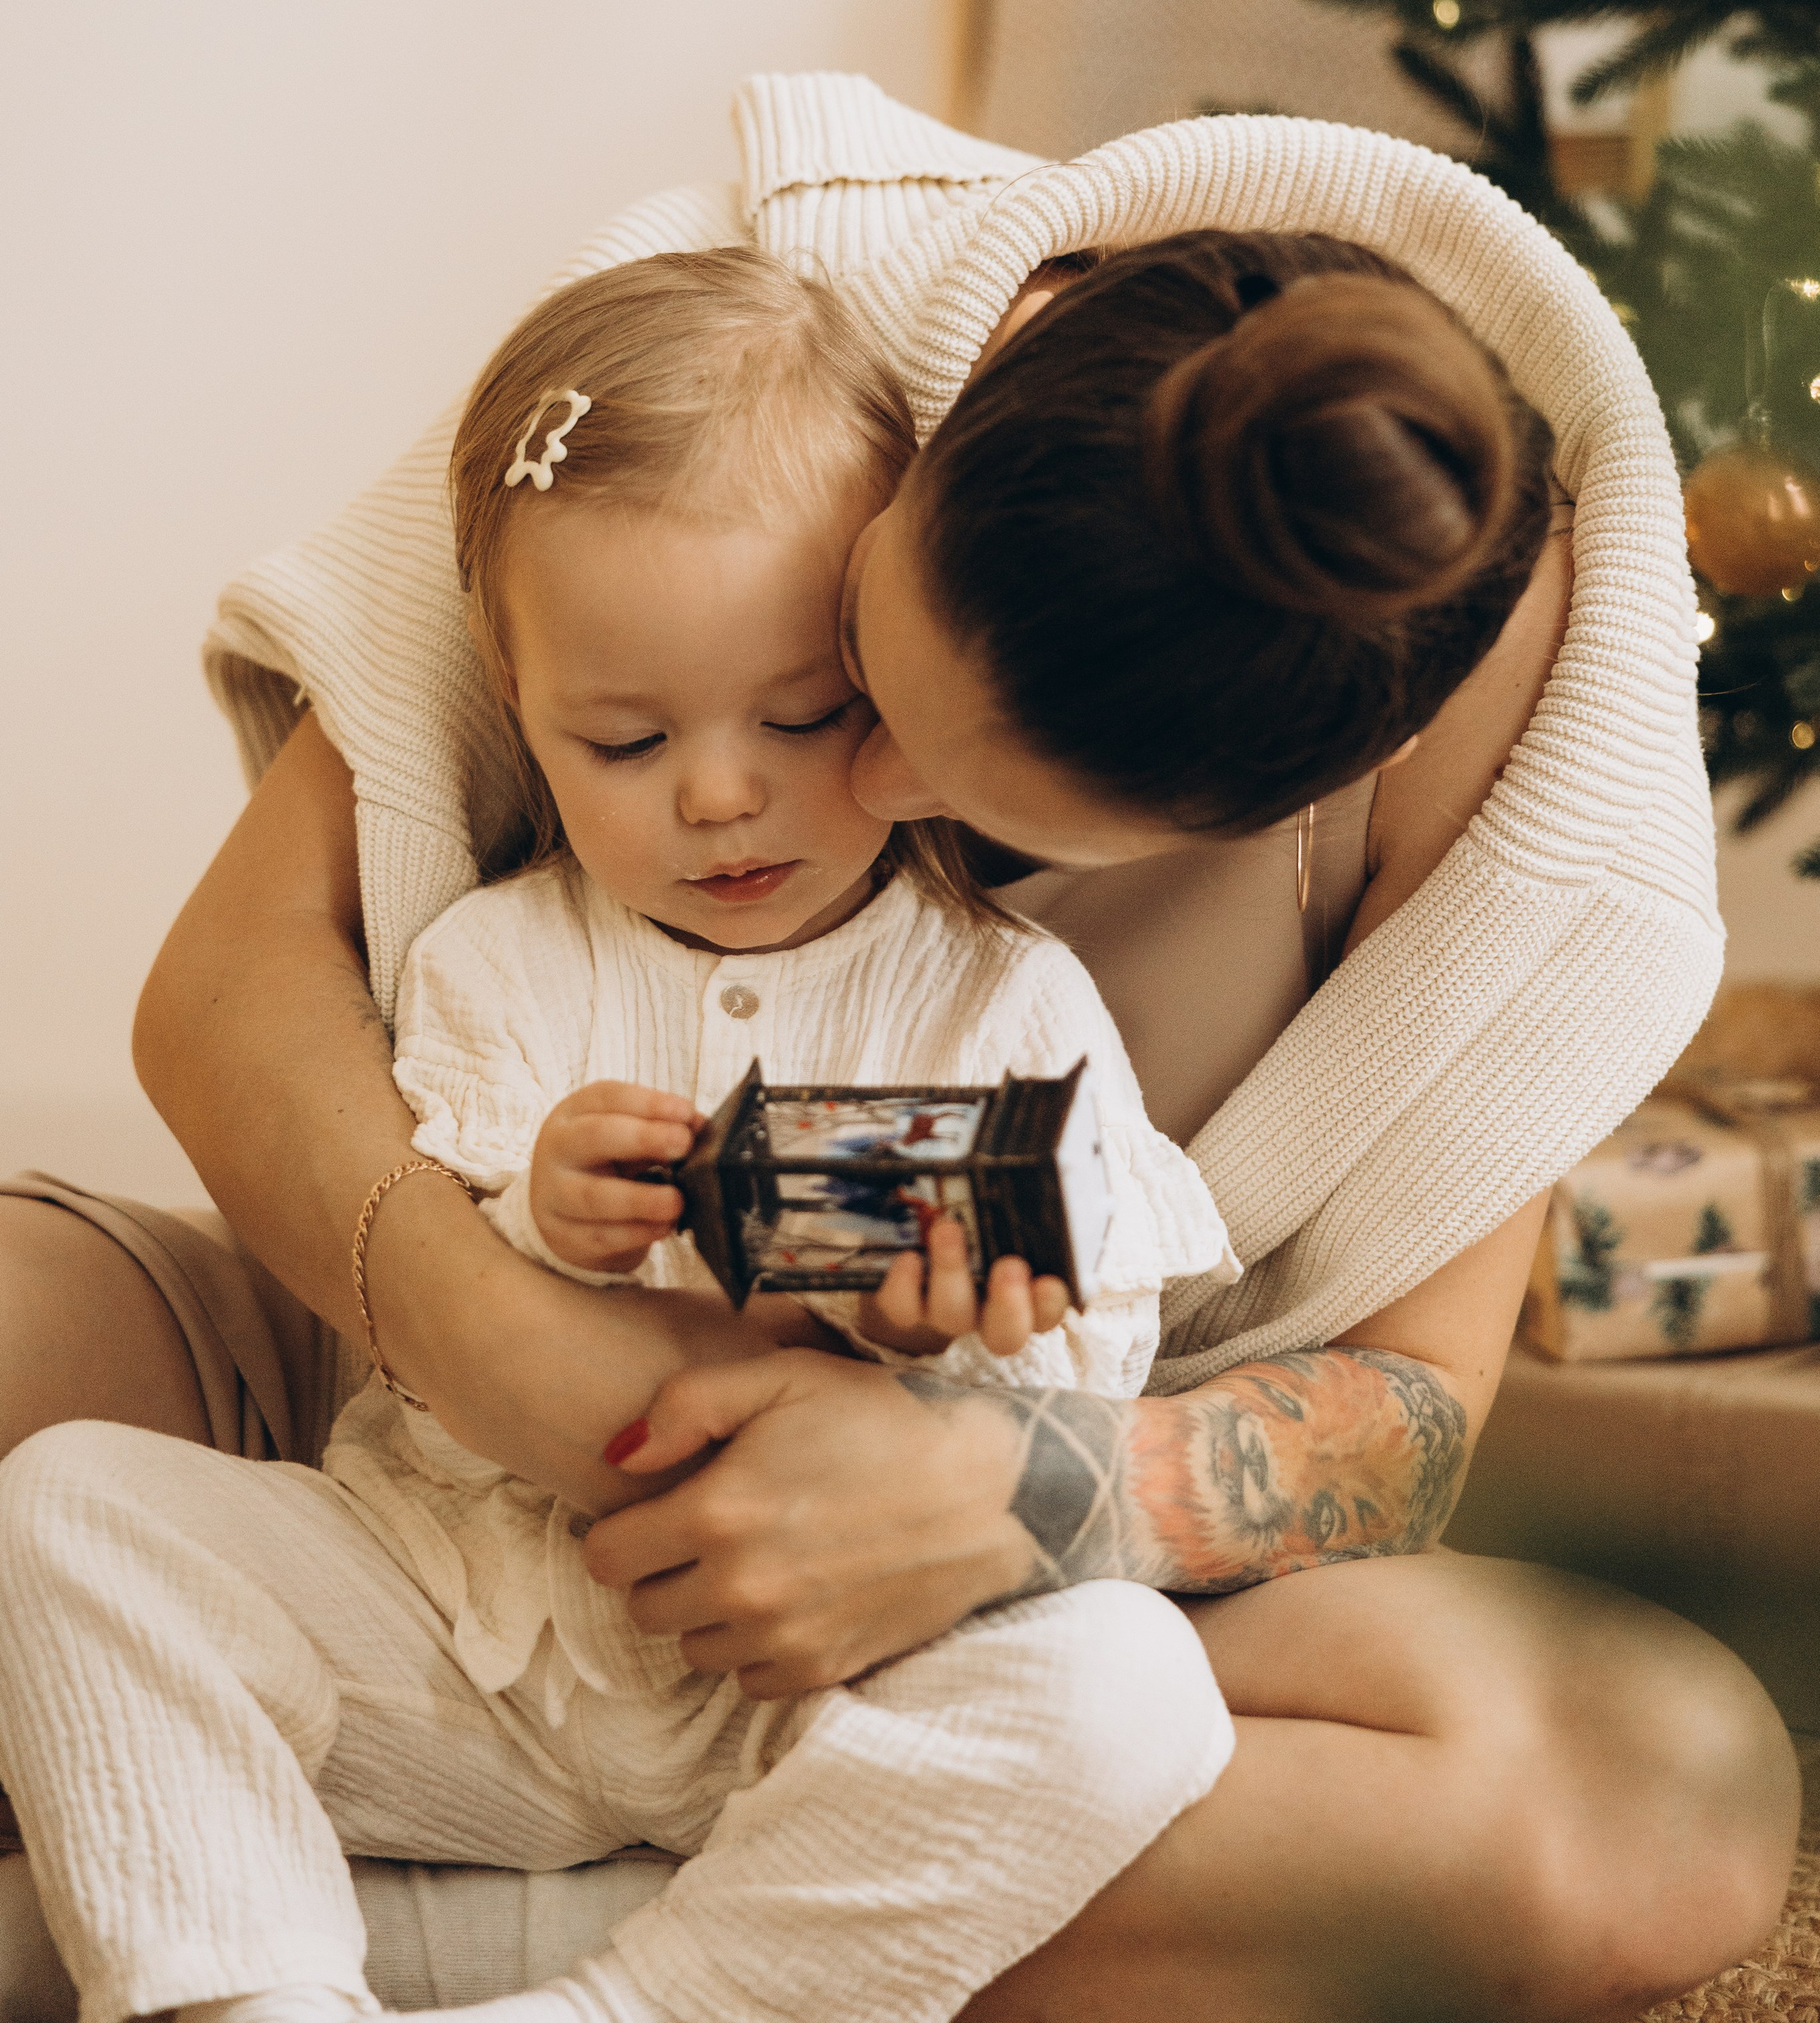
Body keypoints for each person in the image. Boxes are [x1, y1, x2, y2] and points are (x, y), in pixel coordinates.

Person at [0, 79, 1799, 2022]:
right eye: (854, 669)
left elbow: (1416, 1420)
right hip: (425, 1437)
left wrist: (1010, 1488)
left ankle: (446, 1945)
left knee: (1655, 1792)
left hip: (1002, 1598)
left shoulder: (1536, 812)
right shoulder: (747, 360)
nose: (820, 793)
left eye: (953, 780)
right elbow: (235, 990)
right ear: (929, 452)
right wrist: (540, 1366)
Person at [0, 250, 1240, 2023]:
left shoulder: (1004, 1003)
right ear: (522, 714)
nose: (720, 791)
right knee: (71, 1511)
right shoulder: (496, 959)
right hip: (473, 1637)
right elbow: (415, 1340)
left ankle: (659, 2009)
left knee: (1128, 1688)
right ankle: (248, 1993)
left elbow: (1106, 1348)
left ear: (893, 666)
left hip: (825, 1689)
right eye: (626, 736)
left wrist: (967, 1337)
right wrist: (539, 1213)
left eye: (802, 716)